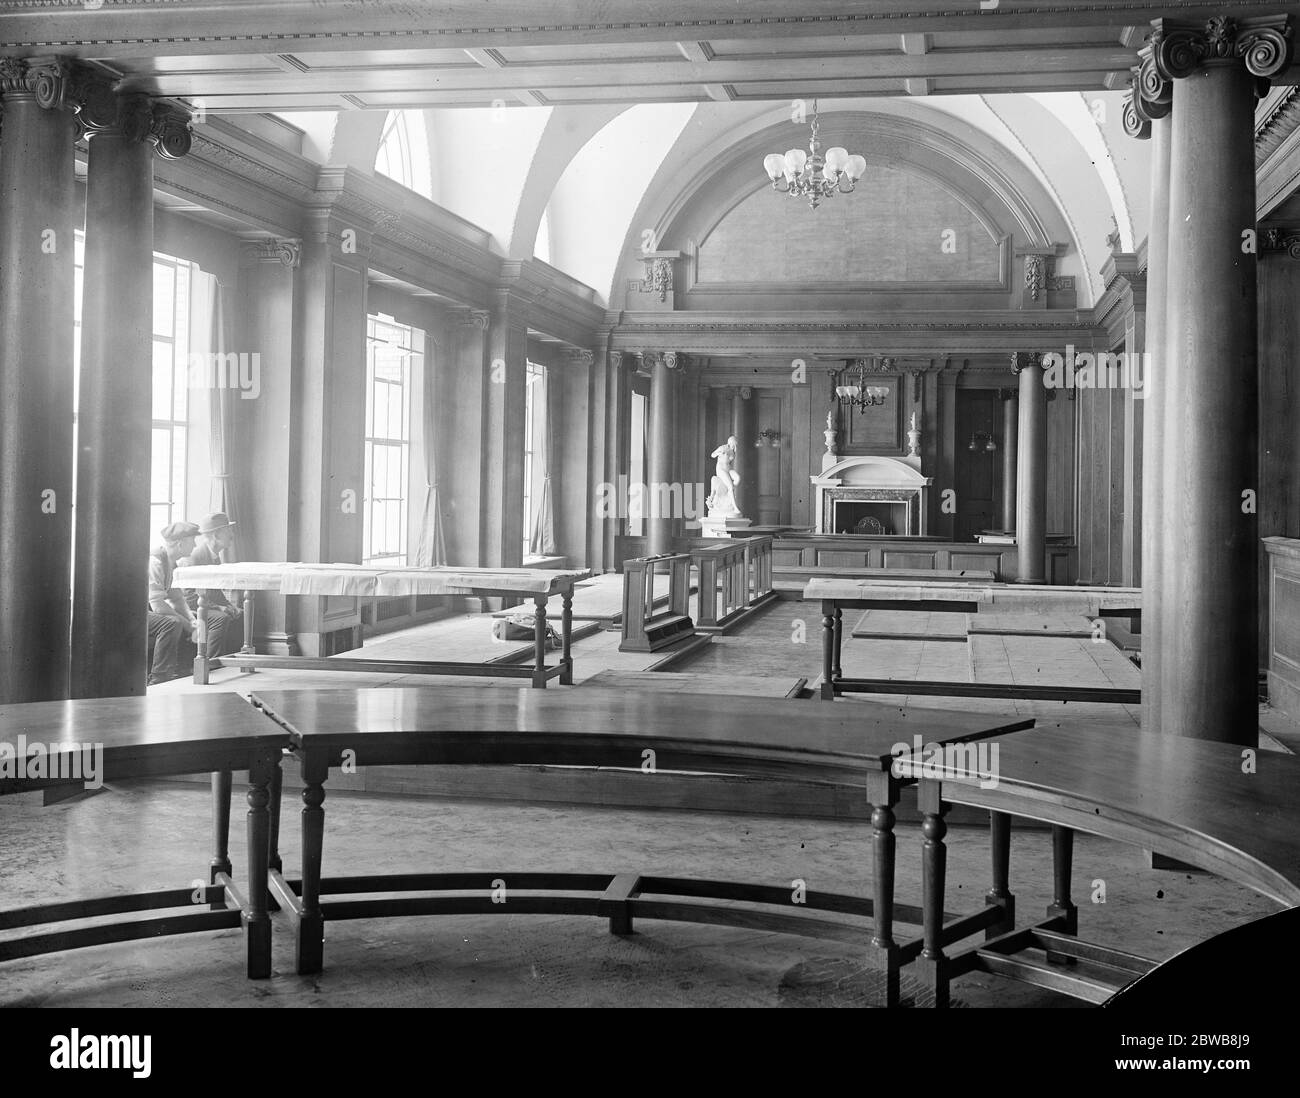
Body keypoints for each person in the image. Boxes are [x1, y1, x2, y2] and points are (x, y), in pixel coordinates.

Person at [146, 521, 223, 685]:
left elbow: (176, 598)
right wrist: (188, 625)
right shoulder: (156, 561)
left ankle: (186, 669)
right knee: (171, 623)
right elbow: (158, 606)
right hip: (132, 611)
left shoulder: (171, 562)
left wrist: (191, 619)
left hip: (152, 610)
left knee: (201, 619)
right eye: (192, 541)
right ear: (180, 544)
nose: (195, 545)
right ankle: (159, 677)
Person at [180, 512, 242, 655]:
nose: (232, 535)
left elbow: (214, 590)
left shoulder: (213, 556)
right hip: (191, 608)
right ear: (216, 535)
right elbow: (189, 597)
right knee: (222, 617)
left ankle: (229, 658)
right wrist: (220, 608)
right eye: (228, 531)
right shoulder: (195, 558)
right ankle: (209, 662)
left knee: (239, 614)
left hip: (205, 605)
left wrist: (228, 605)